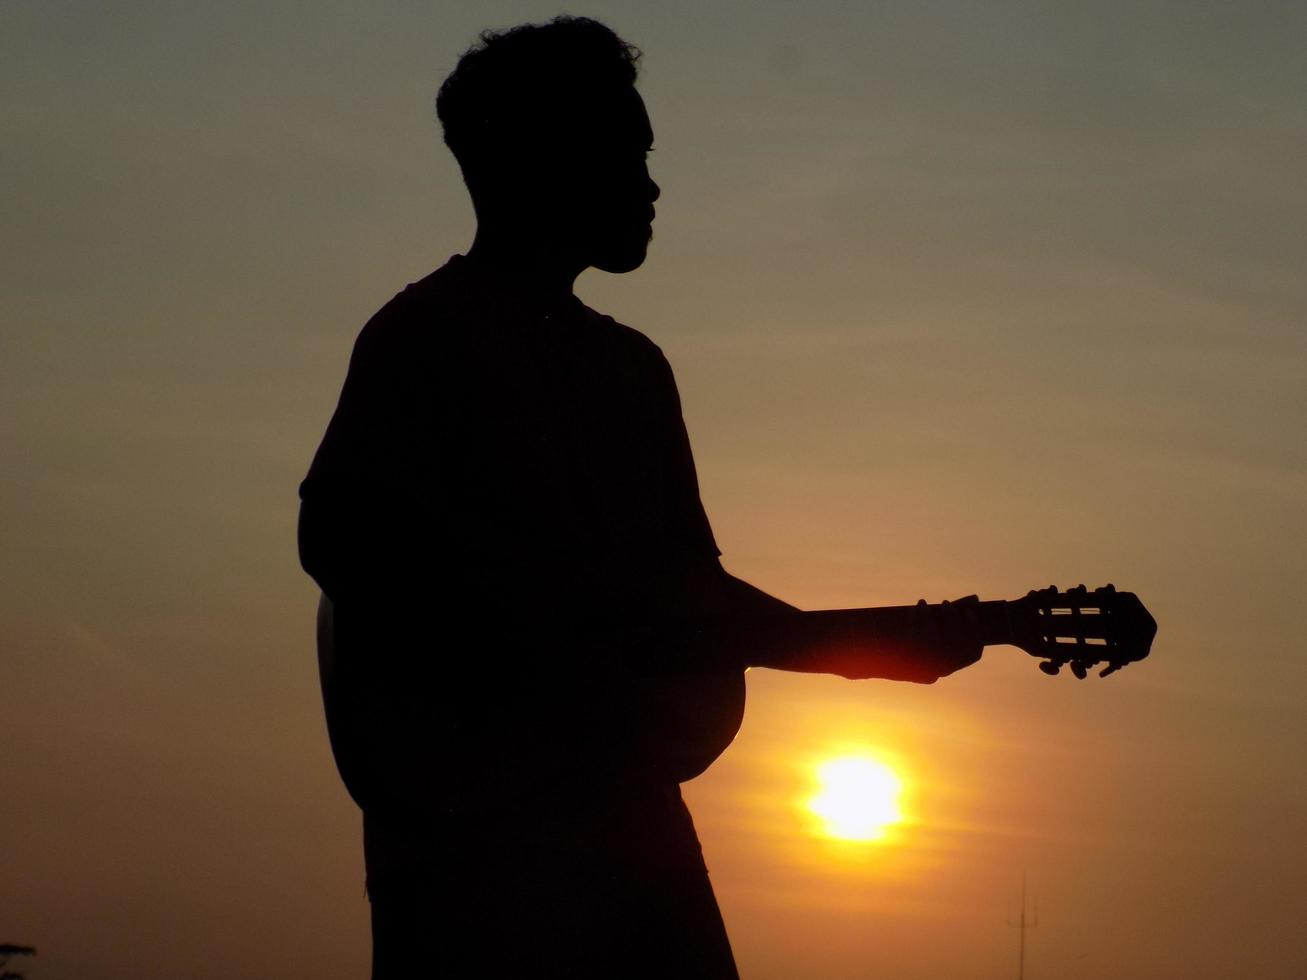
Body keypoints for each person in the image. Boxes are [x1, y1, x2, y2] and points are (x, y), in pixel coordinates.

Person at [298, 16, 983, 978]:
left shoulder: (631, 371)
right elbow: (342, 534)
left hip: (626, 824)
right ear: (546, 159)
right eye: (629, 152)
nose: (653, 184)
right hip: (473, 851)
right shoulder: (426, 338)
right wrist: (534, 641)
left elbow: (683, 597)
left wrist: (869, 651)